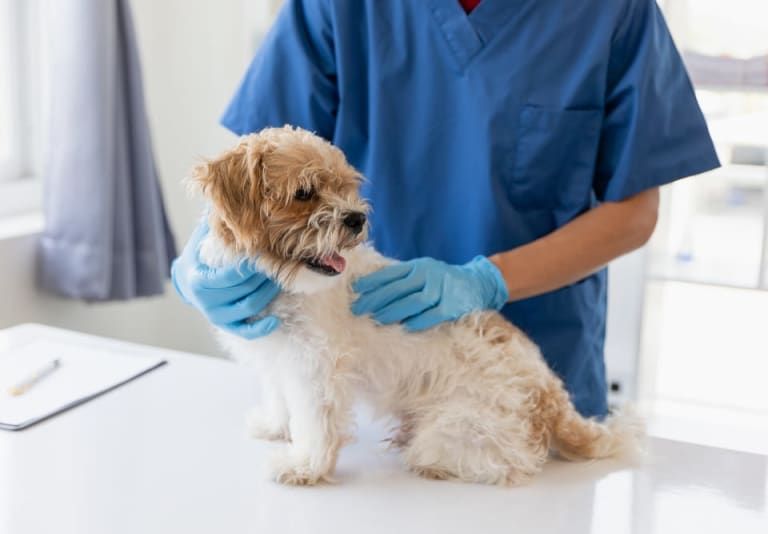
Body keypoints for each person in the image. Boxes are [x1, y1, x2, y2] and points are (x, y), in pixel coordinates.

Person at [171, 0, 719, 417]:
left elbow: (634, 213)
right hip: (354, 376)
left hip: (524, 382)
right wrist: (201, 264)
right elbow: (257, 172)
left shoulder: (610, 12)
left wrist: (486, 282)